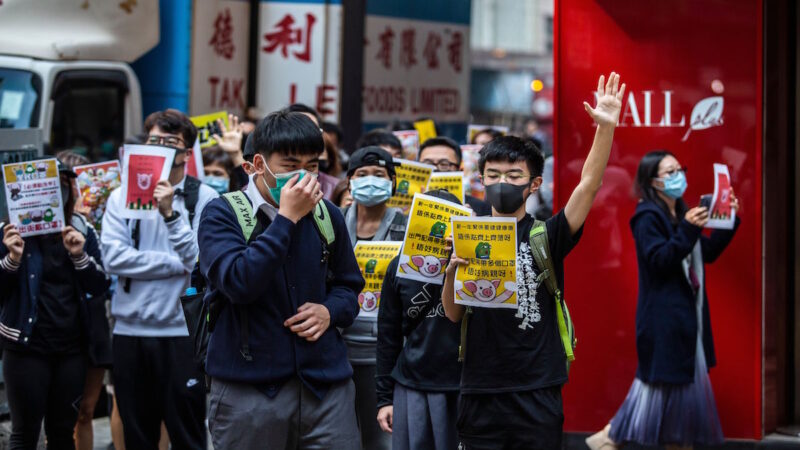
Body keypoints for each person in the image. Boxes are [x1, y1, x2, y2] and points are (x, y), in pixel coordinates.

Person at [441, 72, 625, 450]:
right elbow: (453, 315)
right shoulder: (467, 233)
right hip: (480, 385)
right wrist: (451, 273)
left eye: (513, 175)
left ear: (534, 184)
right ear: (481, 179)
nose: (502, 182)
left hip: (538, 384)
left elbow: (588, 185)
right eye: (493, 175)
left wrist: (604, 129)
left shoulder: (547, 234)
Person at [198, 110, 363, 449]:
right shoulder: (222, 213)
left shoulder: (327, 214)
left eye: (313, 166)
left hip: (326, 388)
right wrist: (286, 218)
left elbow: (349, 287)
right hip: (248, 391)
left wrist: (329, 311)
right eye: (290, 165)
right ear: (259, 164)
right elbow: (239, 283)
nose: (303, 176)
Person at [586, 150, 740, 450]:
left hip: (684, 319)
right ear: (652, 182)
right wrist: (689, 229)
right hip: (663, 322)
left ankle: (608, 438)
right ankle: (609, 438)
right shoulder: (646, 217)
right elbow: (660, 260)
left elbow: (704, 253)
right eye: (668, 173)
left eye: (678, 169)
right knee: (663, 391)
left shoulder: (680, 212)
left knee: (666, 395)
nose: (677, 176)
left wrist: (727, 219)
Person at [101, 109, 218, 449]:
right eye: (154, 141)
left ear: (186, 153)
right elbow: (114, 258)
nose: (160, 149)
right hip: (129, 331)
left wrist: (170, 215)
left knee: (187, 433)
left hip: (182, 334)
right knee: (137, 434)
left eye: (171, 143)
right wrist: (173, 263)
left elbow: (199, 262)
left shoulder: (204, 198)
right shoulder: (120, 196)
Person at [1, 158, 111, 449]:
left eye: (62, 186)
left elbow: (101, 284)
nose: (54, 193)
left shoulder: (80, 228)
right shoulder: (10, 231)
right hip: (26, 348)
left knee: (63, 432)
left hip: (71, 349)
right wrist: (12, 258)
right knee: (24, 433)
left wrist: (78, 256)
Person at [376, 189, 463, 450]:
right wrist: (384, 399)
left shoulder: (474, 269)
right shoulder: (400, 266)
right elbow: (387, 336)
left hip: (467, 386)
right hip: (414, 386)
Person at [339, 146, 407, 450]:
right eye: (361, 174)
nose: (370, 180)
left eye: (379, 175)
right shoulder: (334, 222)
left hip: (388, 351)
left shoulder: (408, 228)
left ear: (392, 182)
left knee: (382, 440)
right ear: (350, 181)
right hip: (339, 349)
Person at [55, 150, 115, 450]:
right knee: (63, 414)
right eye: (69, 184)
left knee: (86, 410)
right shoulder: (39, 230)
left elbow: (105, 278)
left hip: (95, 323)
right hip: (60, 328)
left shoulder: (95, 224)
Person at [418, 136, 492, 216]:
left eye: (444, 164)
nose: (435, 168)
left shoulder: (481, 209)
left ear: (460, 169)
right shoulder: (407, 204)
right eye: (428, 163)